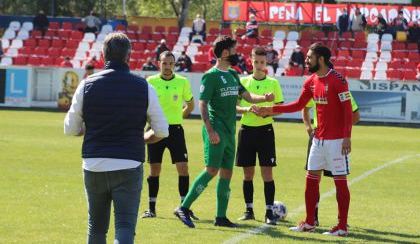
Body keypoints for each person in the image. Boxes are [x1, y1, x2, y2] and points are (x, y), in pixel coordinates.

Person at [64, 32, 169, 244]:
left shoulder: (87, 85)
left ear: (103, 55)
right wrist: (143, 138)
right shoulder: (145, 86)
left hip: (95, 163)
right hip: (129, 163)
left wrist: (92, 128)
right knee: (125, 227)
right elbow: (162, 131)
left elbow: (70, 129)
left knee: (96, 228)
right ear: (128, 57)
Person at [174, 35, 275, 229]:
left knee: (227, 173)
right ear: (226, 53)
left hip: (230, 131)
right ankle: (184, 207)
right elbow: (202, 104)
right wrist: (210, 130)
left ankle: (221, 217)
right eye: (235, 50)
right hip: (216, 129)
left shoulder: (233, 75)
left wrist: (264, 97)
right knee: (212, 169)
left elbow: (247, 96)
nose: (238, 54)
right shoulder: (210, 75)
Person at [256, 43, 353, 236]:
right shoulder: (310, 81)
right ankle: (309, 222)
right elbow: (298, 104)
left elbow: (348, 110)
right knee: (310, 181)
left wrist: (346, 137)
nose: (306, 60)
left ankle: (342, 226)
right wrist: (271, 110)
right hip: (318, 140)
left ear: (321, 59)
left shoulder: (338, 81)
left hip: (336, 142)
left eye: (309, 57)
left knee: (340, 182)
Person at [142, 51, 195, 219]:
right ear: (159, 63)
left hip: (175, 131)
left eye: (171, 63)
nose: (168, 66)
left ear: (175, 65)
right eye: (165, 63)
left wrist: (178, 117)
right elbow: (144, 107)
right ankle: (151, 208)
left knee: (183, 169)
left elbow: (191, 105)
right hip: (155, 130)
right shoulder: (150, 81)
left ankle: (184, 207)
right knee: (155, 170)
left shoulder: (182, 82)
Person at [235, 47, 284, 225]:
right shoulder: (243, 81)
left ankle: (269, 212)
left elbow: (280, 108)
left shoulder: (273, 83)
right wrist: (247, 109)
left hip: (265, 132)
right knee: (247, 173)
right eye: (256, 62)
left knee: (267, 173)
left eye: (262, 62)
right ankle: (249, 210)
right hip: (246, 131)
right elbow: (235, 106)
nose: (259, 65)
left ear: (266, 63)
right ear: (251, 61)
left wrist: (267, 113)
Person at [302, 93, 360, 227]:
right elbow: (304, 108)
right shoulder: (315, 88)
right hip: (317, 137)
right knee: (313, 179)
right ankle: (312, 218)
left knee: (339, 180)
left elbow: (356, 115)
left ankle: (342, 221)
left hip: (335, 140)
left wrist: (340, 129)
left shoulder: (341, 89)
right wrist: (308, 127)